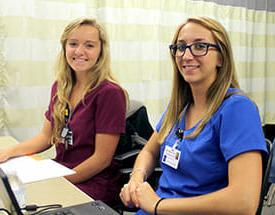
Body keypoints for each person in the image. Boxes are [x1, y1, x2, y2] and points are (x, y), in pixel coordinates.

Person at [119, 17, 267, 214]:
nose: (186, 56)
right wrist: (137, 179)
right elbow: (149, 151)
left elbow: (244, 202)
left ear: (221, 58)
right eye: (181, 47)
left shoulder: (237, 109)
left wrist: (157, 205)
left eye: (199, 46)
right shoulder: (180, 106)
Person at [0, 17, 128, 205]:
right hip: (61, 170)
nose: (79, 51)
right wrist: (9, 152)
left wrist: (59, 182)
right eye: (73, 44)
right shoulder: (61, 87)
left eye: (89, 45)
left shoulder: (110, 93)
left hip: (94, 182)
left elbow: (101, 160)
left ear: (101, 50)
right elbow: (45, 137)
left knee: (31, 202)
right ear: (64, 47)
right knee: (13, 195)